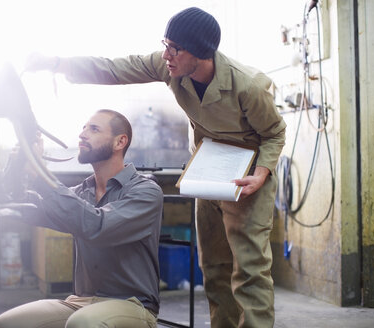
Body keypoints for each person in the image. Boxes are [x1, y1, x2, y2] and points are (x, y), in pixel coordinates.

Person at [25, 7, 286, 327]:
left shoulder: (247, 86)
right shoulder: (170, 67)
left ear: (201, 53)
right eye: (166, 43)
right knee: (215, 268)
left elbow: (274, 134)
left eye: (175, 48)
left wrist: (261, 173)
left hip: (248, 172)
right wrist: (57, 63)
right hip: (208, 169)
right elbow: (115, 69)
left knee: (248, 270)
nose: (166, 54)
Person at [0, 109, 163, 328]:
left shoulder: (146, 192)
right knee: (6, 324)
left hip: (133, 305)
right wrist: (17, 166)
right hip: (81, 303)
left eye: (94, 129)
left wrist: (40, 172)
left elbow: (97, 226)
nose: (82, 134)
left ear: (120, 142)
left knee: (83, 323)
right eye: (83, 128)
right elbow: (24, 207)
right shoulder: (82, 193)